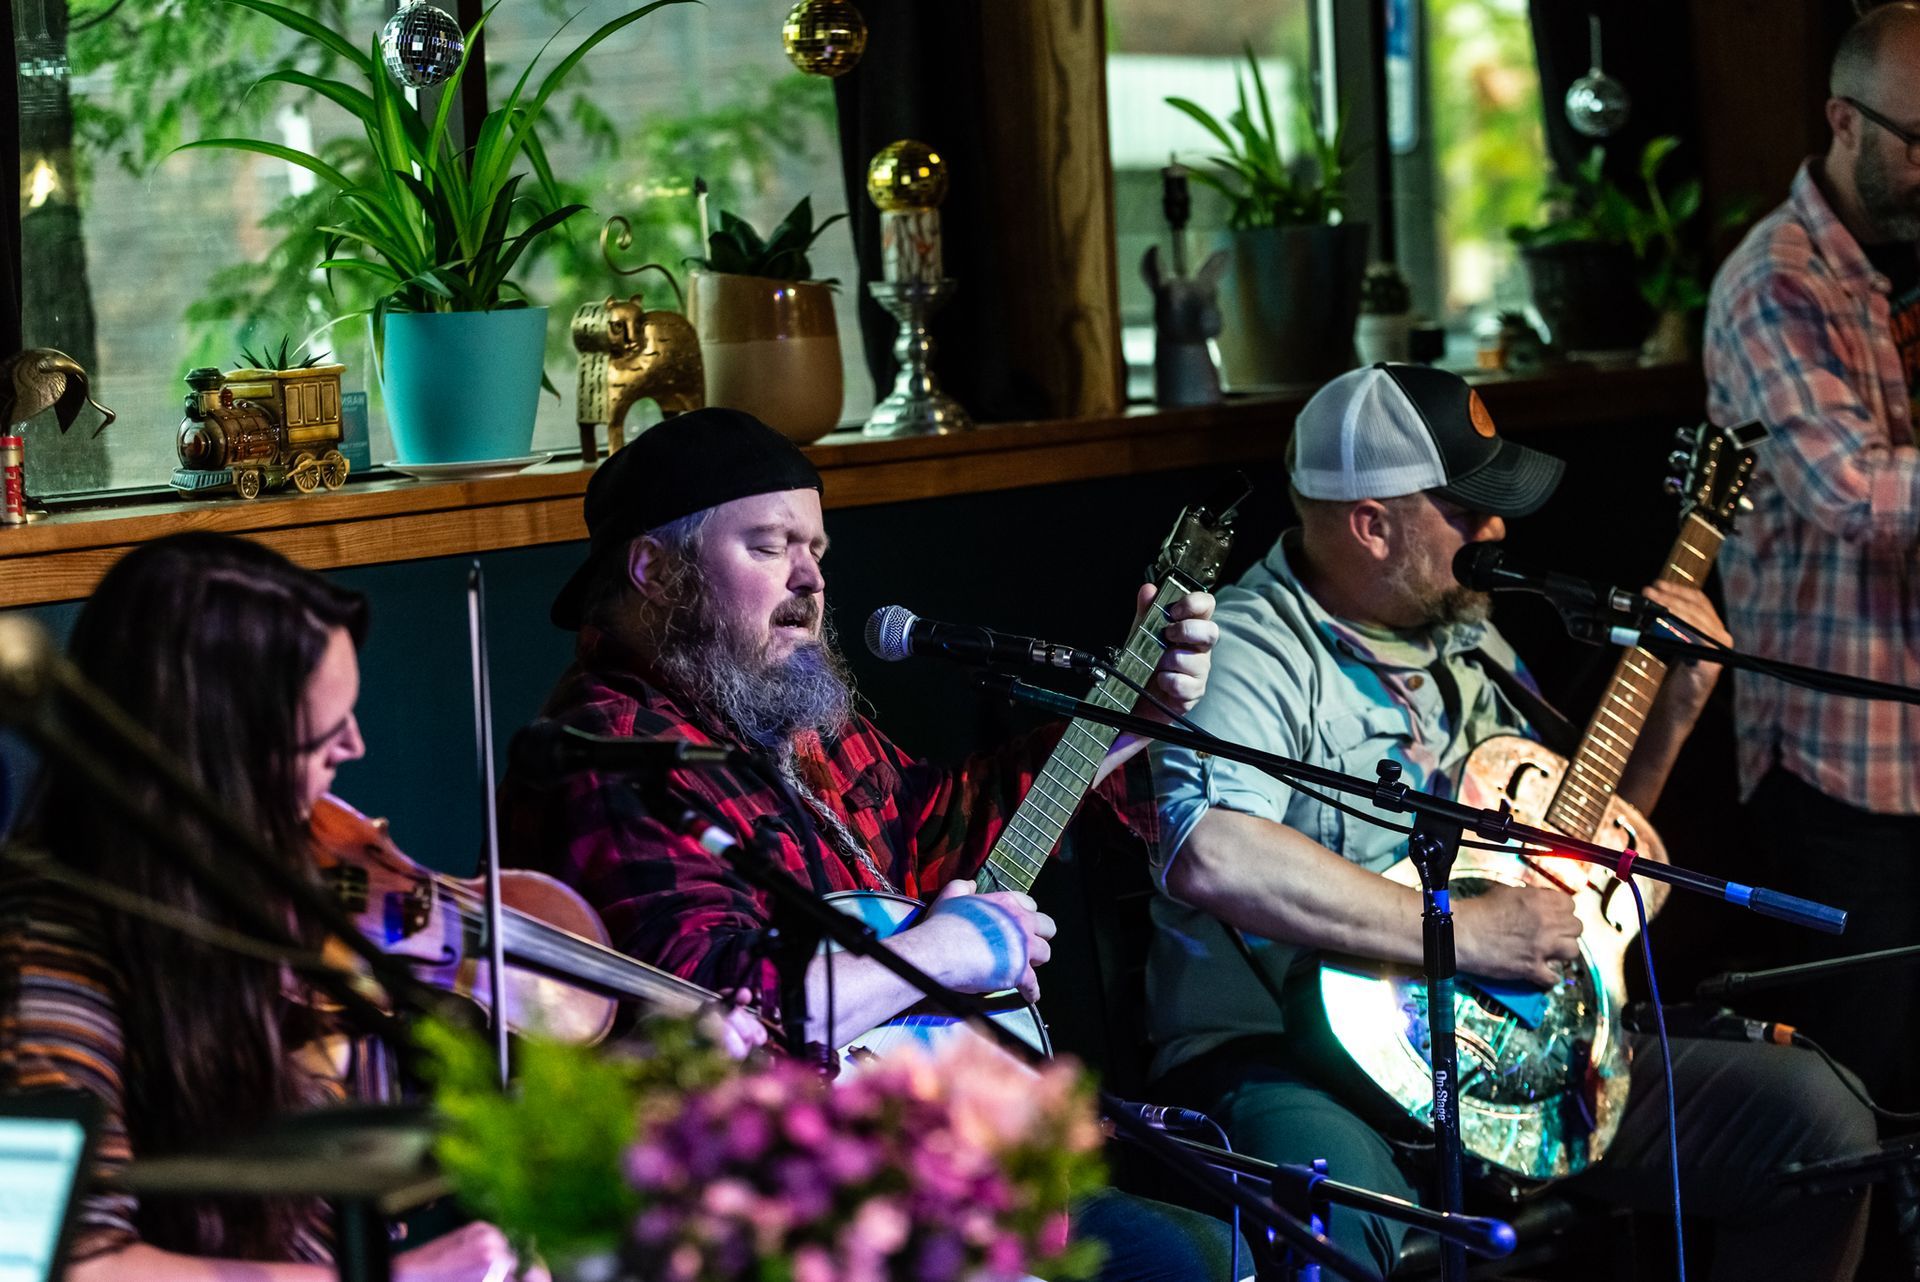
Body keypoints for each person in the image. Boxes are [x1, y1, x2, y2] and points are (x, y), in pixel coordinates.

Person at [1144, 364, 1877, 1278]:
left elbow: (1569, 862)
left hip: (1504, 1040)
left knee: (1817, 1124)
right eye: (1468, 511)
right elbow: (1211, 851)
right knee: (1331, 1231)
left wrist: (1677, 709)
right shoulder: (1247, 648)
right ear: (1371, 525)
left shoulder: (1467, 635)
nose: (1496, 530)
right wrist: (1462, 931)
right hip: (1291, 1056)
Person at [497, 407, 1241, 1281]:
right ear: (656, 571)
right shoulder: (611, 758)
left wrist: (1130, 717)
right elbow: (715, 1016)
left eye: (816, 550)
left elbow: (936, 830)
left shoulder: (779, 704)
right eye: (769, 547)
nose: (810, 579)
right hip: (770, 1220)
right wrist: (947, 953)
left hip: (919, 1168)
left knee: (1219, 1247)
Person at [0, 534, 554, 1279]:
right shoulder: (45, 949)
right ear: (219, 751)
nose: (354, 747)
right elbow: (74, 1267)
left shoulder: (246, 903)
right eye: (323, 736)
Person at [1703, 0, 1920, 1114]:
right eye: (1919, 141)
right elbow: (1855, 493)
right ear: (1843, 120)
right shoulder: (1774, 281)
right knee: (1851, 1101)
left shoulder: (1900, 260)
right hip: (1841, 763)